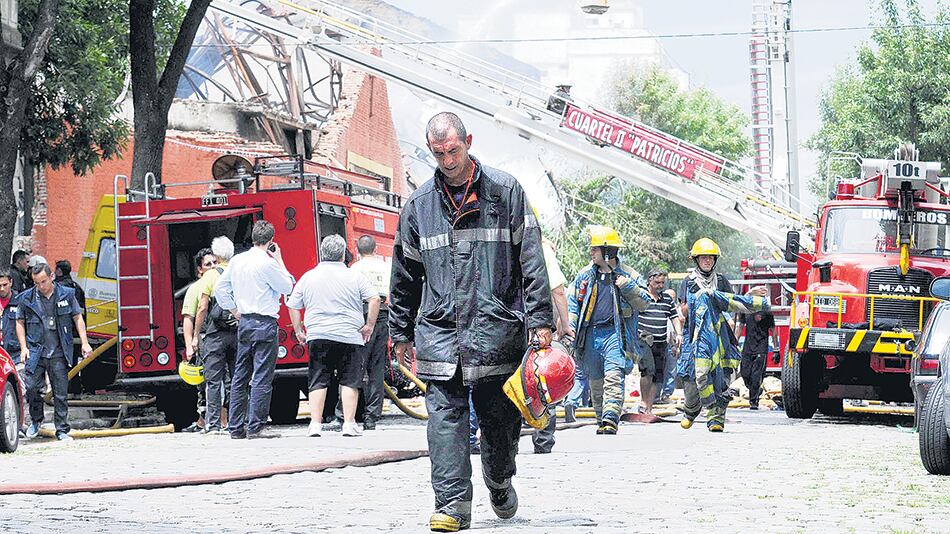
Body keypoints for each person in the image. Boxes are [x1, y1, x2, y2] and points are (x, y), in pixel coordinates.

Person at [389, 112, 553, 533]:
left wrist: (540, 320)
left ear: (469, 142)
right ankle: (452, 504)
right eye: (438, 154)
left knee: (499, 422)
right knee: (445, 422)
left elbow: (531, 260)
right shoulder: (419, 206)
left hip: (496, 331)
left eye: (453, 151)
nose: (447, 161)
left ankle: (499, 481)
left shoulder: (505, 192)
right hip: (441, 334)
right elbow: (405, 274)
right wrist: (400, 331)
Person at [288, 234, 380, 438]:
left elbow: (293, 304)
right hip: (349, 335)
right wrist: (369, 326)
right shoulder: (354, 275)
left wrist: (298, 330)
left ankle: (315, 425)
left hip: (318, 334)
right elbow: (374, 299)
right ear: (343, 254)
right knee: (349, 381)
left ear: (322, 253)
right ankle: (348, 424)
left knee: (318, 379)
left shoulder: (309, 276)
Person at [567, 225, 651, 435]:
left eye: (595, 249)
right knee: (595, 381)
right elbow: (573, 304)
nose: (591, 252)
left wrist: (628, 287)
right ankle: (601, 420)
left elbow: (645, 303)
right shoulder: (585, 275)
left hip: (615, 334)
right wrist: (571, 330)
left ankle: (610, 419)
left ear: (607, 251)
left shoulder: (629, 275)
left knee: (614, 376)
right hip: (591, 335)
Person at [677, 238, 768, 432]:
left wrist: (750, 294)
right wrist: (699, 298)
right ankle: (691, 409)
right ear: (696, 260)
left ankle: (716, 419)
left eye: (710, 258)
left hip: (720, 336)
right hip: (695, 337)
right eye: (703, 257)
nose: (707, 261)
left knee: (721, 377)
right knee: (692, 379)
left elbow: (732, 302)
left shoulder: (721, 281)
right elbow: (683, 312)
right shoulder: (688, 282)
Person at [215, 220, 294, 440]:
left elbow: (221, 288)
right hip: (265, 321)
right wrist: (279, 259)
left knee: (240, 375)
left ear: (252, 238)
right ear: (271, 240)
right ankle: (256, 426)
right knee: (261, 375)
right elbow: (287, 286)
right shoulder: (268, 263)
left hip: (245, 321)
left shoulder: (237, 261)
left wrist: (234, 310)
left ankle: (235, 427)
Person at [16, 263, 92, 440]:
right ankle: (36, 420)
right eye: (36, 283)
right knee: (32, 388)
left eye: (43, 281)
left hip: (58, 350)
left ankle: (62, 429)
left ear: (51, 277)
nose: (41, 286)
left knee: (60, 392)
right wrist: (24, 347)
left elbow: (77, 317)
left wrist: (84, 342)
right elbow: (19, 322)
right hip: (36, 350)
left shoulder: (67, 294)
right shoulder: (26, 298)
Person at [195, 237, 237, 434]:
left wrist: (196, 334)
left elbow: (203, 307)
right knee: (237, 378)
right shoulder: (238, 271)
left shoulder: (211, 275)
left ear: (217, 255)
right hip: (237, 332)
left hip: (215, 335)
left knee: (213, 381)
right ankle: (237, 421)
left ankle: (212, 425)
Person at [349, 234, 391, 430]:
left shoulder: (355, 269)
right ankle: (372, 417)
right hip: (382, 315)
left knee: (356, 365)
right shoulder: (386, 267)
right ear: (376, 250)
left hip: (362, 316)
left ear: (357, 251)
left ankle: (346, 414)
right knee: (377, 367)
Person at [180, 247, 217, 432]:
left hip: (221, 338)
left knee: (225, 379)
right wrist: (189, 345)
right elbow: (188, 318)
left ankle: (224, 420)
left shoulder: (224, 283)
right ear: (200, 270)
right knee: (204, 381)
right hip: (203, 339)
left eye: (215, 262)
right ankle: (203, 421)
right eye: (208, 264)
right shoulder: (195, 289)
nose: (213, 266)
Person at [637, 268, 682, 415]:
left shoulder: (667, 299)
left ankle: (649, 409)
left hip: (661, 342)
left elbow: (674, 317)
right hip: (644, 340)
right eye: (657, 282)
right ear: (650, 280)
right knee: (647, 371)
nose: (660, 286)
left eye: (662, 283)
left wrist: (679, 334)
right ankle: (643, 402)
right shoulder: (641, 296)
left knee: (657, 375)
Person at [736, 307, 778, 410]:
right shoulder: (745, 309)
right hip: (747, 347)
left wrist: (776, 349)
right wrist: (735, 342)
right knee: (745, 373)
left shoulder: (767, 312)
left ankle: (753, 402)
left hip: (761, 348)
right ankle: (756, 389)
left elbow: (773, 330)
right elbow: (740, 326)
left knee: (756, 375)